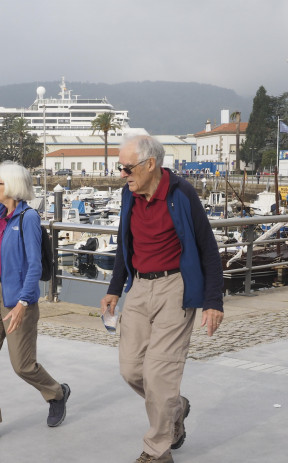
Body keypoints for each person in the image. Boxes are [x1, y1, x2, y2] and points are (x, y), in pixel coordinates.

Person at [101, 136, 224, 463]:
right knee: (131, 370)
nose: (123, 173)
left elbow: (208, 249)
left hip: (176, 289)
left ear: (150, 164)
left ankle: (157, 451)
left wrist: (213, 301)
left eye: (127, 167)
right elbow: (123, 244)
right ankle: (175, 408)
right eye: (121, 167)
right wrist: (115, 288)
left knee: (159, 376)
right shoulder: (129, 194)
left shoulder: (181, 194)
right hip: (139, 288)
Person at [0, 161, 70, 445]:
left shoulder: (28, 218)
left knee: (22, 365)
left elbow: (34, 266)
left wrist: (22, 302)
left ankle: (57, 393)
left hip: (17, 299)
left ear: (12, 186)